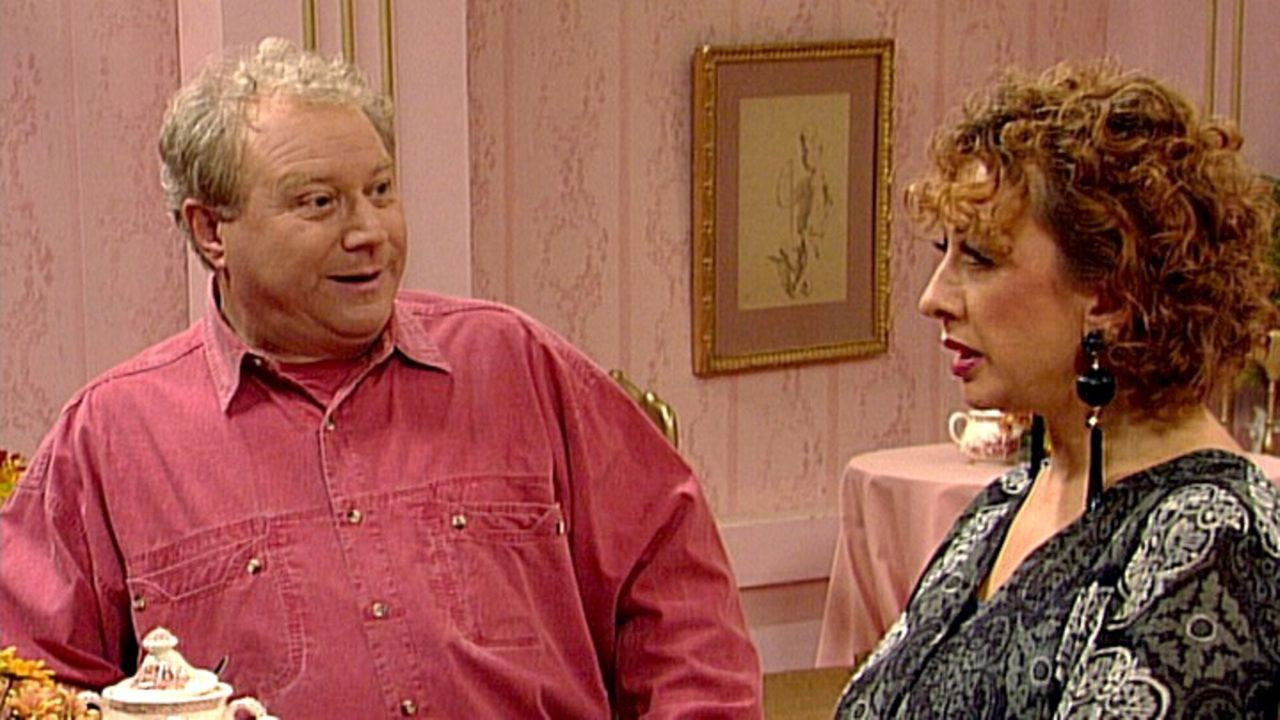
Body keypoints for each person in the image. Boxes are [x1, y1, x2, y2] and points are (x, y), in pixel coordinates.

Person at [0, 38, 762, 718]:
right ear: (211, 230)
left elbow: (678, 599)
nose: (368, 231)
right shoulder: (114, 436)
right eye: (319, 203)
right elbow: (31, 684)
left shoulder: (516, 364)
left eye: (381, 191)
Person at [836, 62, 1280, 717]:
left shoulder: (1214, 546)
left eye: (979, 259)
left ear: (1108, 295)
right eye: (943, 253)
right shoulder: (1006, 504)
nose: (933, 298)